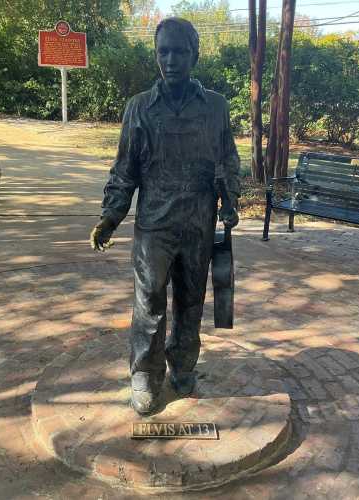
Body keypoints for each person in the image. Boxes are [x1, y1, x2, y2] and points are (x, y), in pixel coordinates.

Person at [91, 17, 240, 415]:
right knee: (150, 300)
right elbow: (125, 170)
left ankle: (184, 363)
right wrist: (111, 215)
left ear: (195, 54)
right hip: (154, 224)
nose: (170, 60)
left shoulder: (216, 107)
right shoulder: (139, 108)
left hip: (198, 220)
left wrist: (232, 199)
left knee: (192, 299)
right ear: (156, 54)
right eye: (163, 51)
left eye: (179, 51)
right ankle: (144, 374)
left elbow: (228, 158)